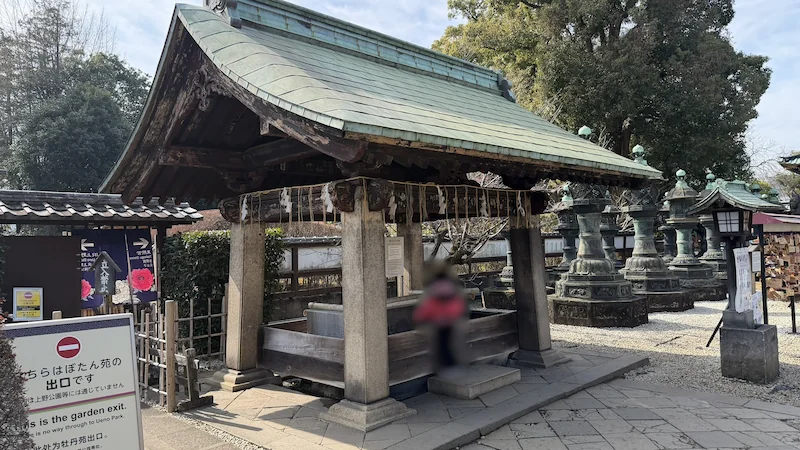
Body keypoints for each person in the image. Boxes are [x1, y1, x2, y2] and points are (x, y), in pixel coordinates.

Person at [413, 262, 467, 369]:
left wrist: (421, 318)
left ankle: (444, 365)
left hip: (438, 322)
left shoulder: (433, 288)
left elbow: (427, 307)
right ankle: (452, 364)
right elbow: (458, 305)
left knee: (441, 345)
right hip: (451, 321)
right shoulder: (452, 287)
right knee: (449, 345)